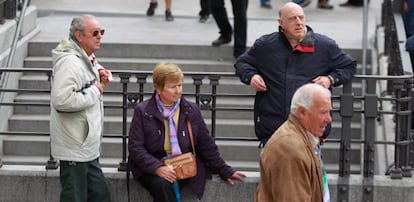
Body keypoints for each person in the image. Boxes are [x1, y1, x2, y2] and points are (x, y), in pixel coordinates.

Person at [234, 2, 356, 146]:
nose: (299, 23)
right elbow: (242, 63)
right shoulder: (266, 45)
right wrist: (251, 76)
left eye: (301, 18)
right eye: (292, 18)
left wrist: (330, 79)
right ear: (281, 23)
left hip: (309, 130)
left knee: (309, 169)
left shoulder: (324, 45)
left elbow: (349, 65)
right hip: (273, 129)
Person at [128, 63, 246, 202]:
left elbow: (206, 144)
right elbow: (136, 148)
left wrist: (225, 170)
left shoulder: (190, 109)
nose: (178, 91)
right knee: (162, 185)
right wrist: (158, 168)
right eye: (172, 87)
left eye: (180, 85)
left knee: (169, 186)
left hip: (183, 164)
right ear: (158, 88)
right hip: (152, 165)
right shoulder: (143, 111)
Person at [50, 14, 112, 202]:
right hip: (75, 149)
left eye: (101, 32)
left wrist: (98, 71)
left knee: (100, 196)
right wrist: (96, 90)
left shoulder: (85, 58)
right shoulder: (70, 62)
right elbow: (62, 100)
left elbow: (85, 68)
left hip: (86, 149)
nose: (100, 36)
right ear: (79, 36)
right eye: (94, 32)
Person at [255, 83, 332, 202]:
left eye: (329, 112)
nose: (329, 119)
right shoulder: (290, 148)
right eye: (323, 112)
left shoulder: (303, 138)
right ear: (302, 112)